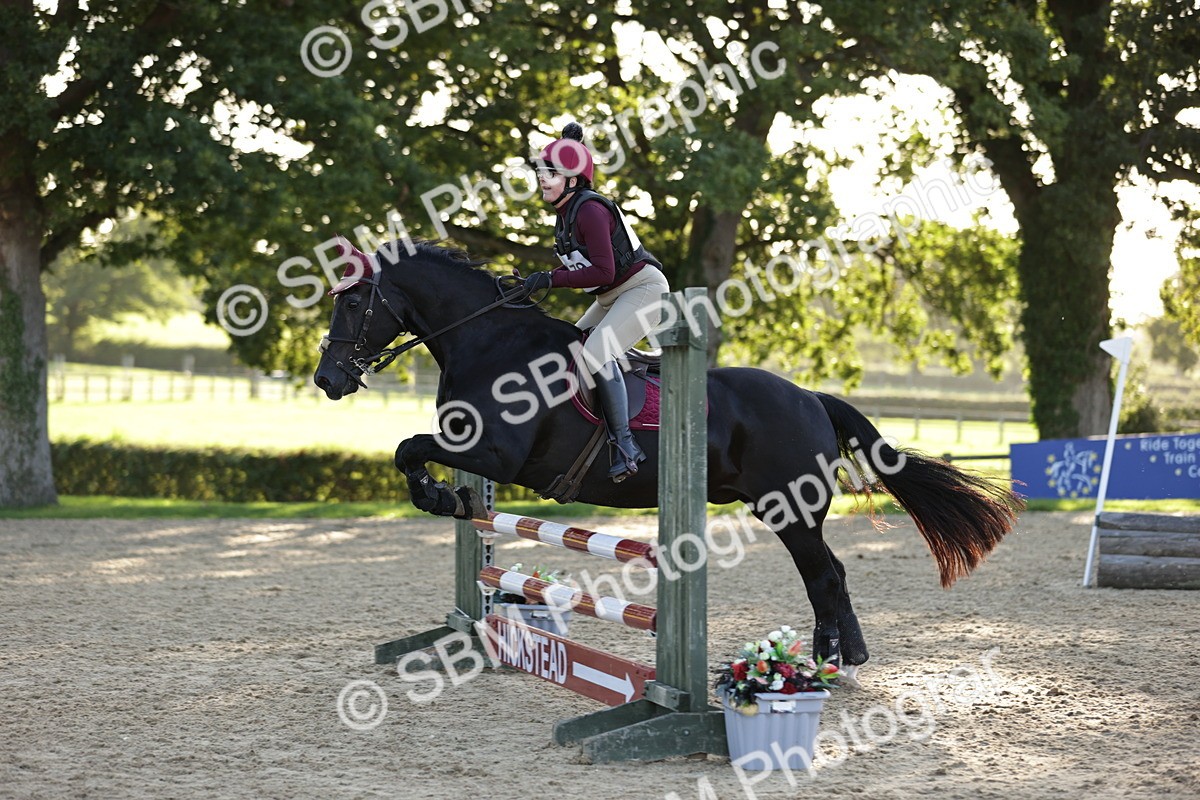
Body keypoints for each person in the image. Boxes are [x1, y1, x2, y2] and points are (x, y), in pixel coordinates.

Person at [519, 122, 671, 482]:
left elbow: (603, 271)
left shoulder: (589, 211)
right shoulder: (566, 216)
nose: (542, 178)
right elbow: (585, 268)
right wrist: (533, 281)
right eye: (542, 171)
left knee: (596, 352)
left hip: (643, 290)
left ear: (573, 180)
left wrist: (552, 278)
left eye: (551, 173)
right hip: (611, 295)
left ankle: (626, 445)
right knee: (568, 347)